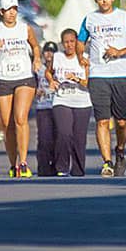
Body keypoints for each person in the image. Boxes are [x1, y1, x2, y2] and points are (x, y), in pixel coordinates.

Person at [76, 0, 126, 177]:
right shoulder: (90, 19)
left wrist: (120, 52)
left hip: (121, 74)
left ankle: (120, 150)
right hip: (98, 75)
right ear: (96, 0)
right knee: (102, 121)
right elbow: (81, 41)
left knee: (121, 121)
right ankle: (107, 162)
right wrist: (82, 56)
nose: (104, 0)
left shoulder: (124, 17)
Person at [0, 0, 41, 178]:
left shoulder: (25, 28)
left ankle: (23, 162)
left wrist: (36, 59)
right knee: (7, 124)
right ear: (2, 12)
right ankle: (13, 163)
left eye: (14, 9)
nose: (12, 13)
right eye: (8, 10)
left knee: (20, 118)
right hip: (2, 78)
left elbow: (35, 46)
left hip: (24, 76)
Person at [48, 29, 93, 176]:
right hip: (62, 99)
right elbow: (48, 72)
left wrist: (77, 79)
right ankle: (61, 167)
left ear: (78, 43)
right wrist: (51, 81)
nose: (69, 45)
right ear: (62, 43)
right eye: (66, 42)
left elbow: (89, 83)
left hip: (82, 100)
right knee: (64, 133)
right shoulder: (57, 57)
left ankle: (78, 170)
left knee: (79, 138)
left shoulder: (84, 58)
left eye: (72, 42)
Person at [35, 40, 58, 176]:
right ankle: (43, 167)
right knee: (44, 138)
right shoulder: (39, 69)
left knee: (58, 137)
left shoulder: (60, 68)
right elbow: (31, 84)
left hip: (58, 105)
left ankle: (56, 165)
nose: (49, 54)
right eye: (47, 51)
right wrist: (35, 91)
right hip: (43, 106)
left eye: (52, 51)